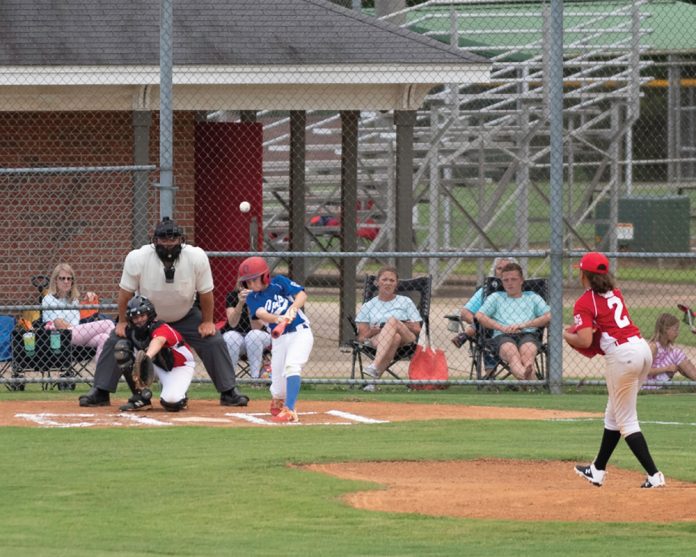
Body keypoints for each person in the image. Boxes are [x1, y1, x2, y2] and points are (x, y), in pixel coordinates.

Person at [78, 217, 249, 408]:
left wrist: (207, 321)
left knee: (214, 340)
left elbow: (206, 293)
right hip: (147, 318)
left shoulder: (196, 257)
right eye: (164, 239)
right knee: (115, 341)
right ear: (155, 240)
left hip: (185, 314)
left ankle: (228, 391)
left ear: (181, 240)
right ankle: (101, 391)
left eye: (173, 239)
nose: (169, 244)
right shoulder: (138, 257)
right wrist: (123, 322)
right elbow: (125, 295)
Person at [564, 251, 665, 489]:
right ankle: (597, 469)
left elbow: (585, 340)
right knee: (614, 413)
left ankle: (654, 475)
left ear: (583, 275)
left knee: (627, 421)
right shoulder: (615, 293)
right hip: (641, 350)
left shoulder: (585, 302)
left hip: (623, 357)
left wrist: (564, 333)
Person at [240, 256, 313, 423]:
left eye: (253, 280)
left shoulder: (279, 282)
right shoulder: (252, 298)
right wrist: (275, 319)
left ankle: (290, 410)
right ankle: (280, 400)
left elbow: (301, 294)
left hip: (300, 333)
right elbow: (260, 314)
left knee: (292, 366)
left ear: (265, 276)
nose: (251, 285)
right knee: (278, 383)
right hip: (279, 338)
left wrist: (294, 308)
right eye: (247, 282)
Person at [117, 295, 194, 412]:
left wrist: (146, 357)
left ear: (149, 314)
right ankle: (141, 397)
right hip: (157, 364)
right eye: (135, 317)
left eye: (142, 315)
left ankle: (181, 395)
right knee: (122, 349)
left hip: (179, 367)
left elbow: (158, 340)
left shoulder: (161, 327)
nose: (139, 320)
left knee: (171, 402)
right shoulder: (133, 332)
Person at [475, 262, 550, 380]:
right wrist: (501, 327)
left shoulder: (532, 297)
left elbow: (549, 316)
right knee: (512, 354)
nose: (509, 283)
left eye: (513, 279)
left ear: (521, 280)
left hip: (528, 333)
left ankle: (526, 376)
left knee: (528, 354)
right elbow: (480, 316)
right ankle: (529, 378)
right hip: (503, 335)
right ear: (502, 282)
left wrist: (524, 325)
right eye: (506, 280)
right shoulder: (496, 297)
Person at [355, 266, 422, 380]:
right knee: (394, 338)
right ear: (377, 283)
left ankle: (375, 365)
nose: (388, 283)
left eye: (392, 280)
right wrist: (374, 331)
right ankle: (373, 382)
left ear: (396, 284)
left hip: (406, 338)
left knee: (392, 321)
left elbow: (417, 329)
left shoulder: (405, 301)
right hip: (378, 338)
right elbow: (362, 338)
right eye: (384, 279)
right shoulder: (368, 306)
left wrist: (397, 325)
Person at [41, 263, 115, 363]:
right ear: (55, 280)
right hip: (62, 338)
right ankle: (124, 356)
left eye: (69, 278)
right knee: (108, 324)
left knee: (104, 338)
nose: (66, 281)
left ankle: (102, 376)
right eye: (62, 278)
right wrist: (82, 330)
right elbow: (60, 325)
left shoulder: (73, 300)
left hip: (78, 338)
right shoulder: (48, 299)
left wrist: (88, 300)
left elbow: (80, 319)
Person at [222, 288, 271, 379]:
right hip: (239, 339)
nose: (242, 282)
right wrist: (240, 303)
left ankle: (255, 378)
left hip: (261, 338)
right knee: (230, 336)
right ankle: (229, 380)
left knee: (253, 335)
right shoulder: (232, 295)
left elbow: (257, 327)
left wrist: (250, 303)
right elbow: (232, 323)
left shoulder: (262, 294)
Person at [645, 313, 696, 387]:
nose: (677, 333)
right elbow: (645, 371)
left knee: (677, 358)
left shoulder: (667, 347)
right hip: (649, 384)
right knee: (677, 353)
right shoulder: (654, 346)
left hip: (658, 382)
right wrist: (666, 368)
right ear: (665, 330)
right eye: (675, 330)